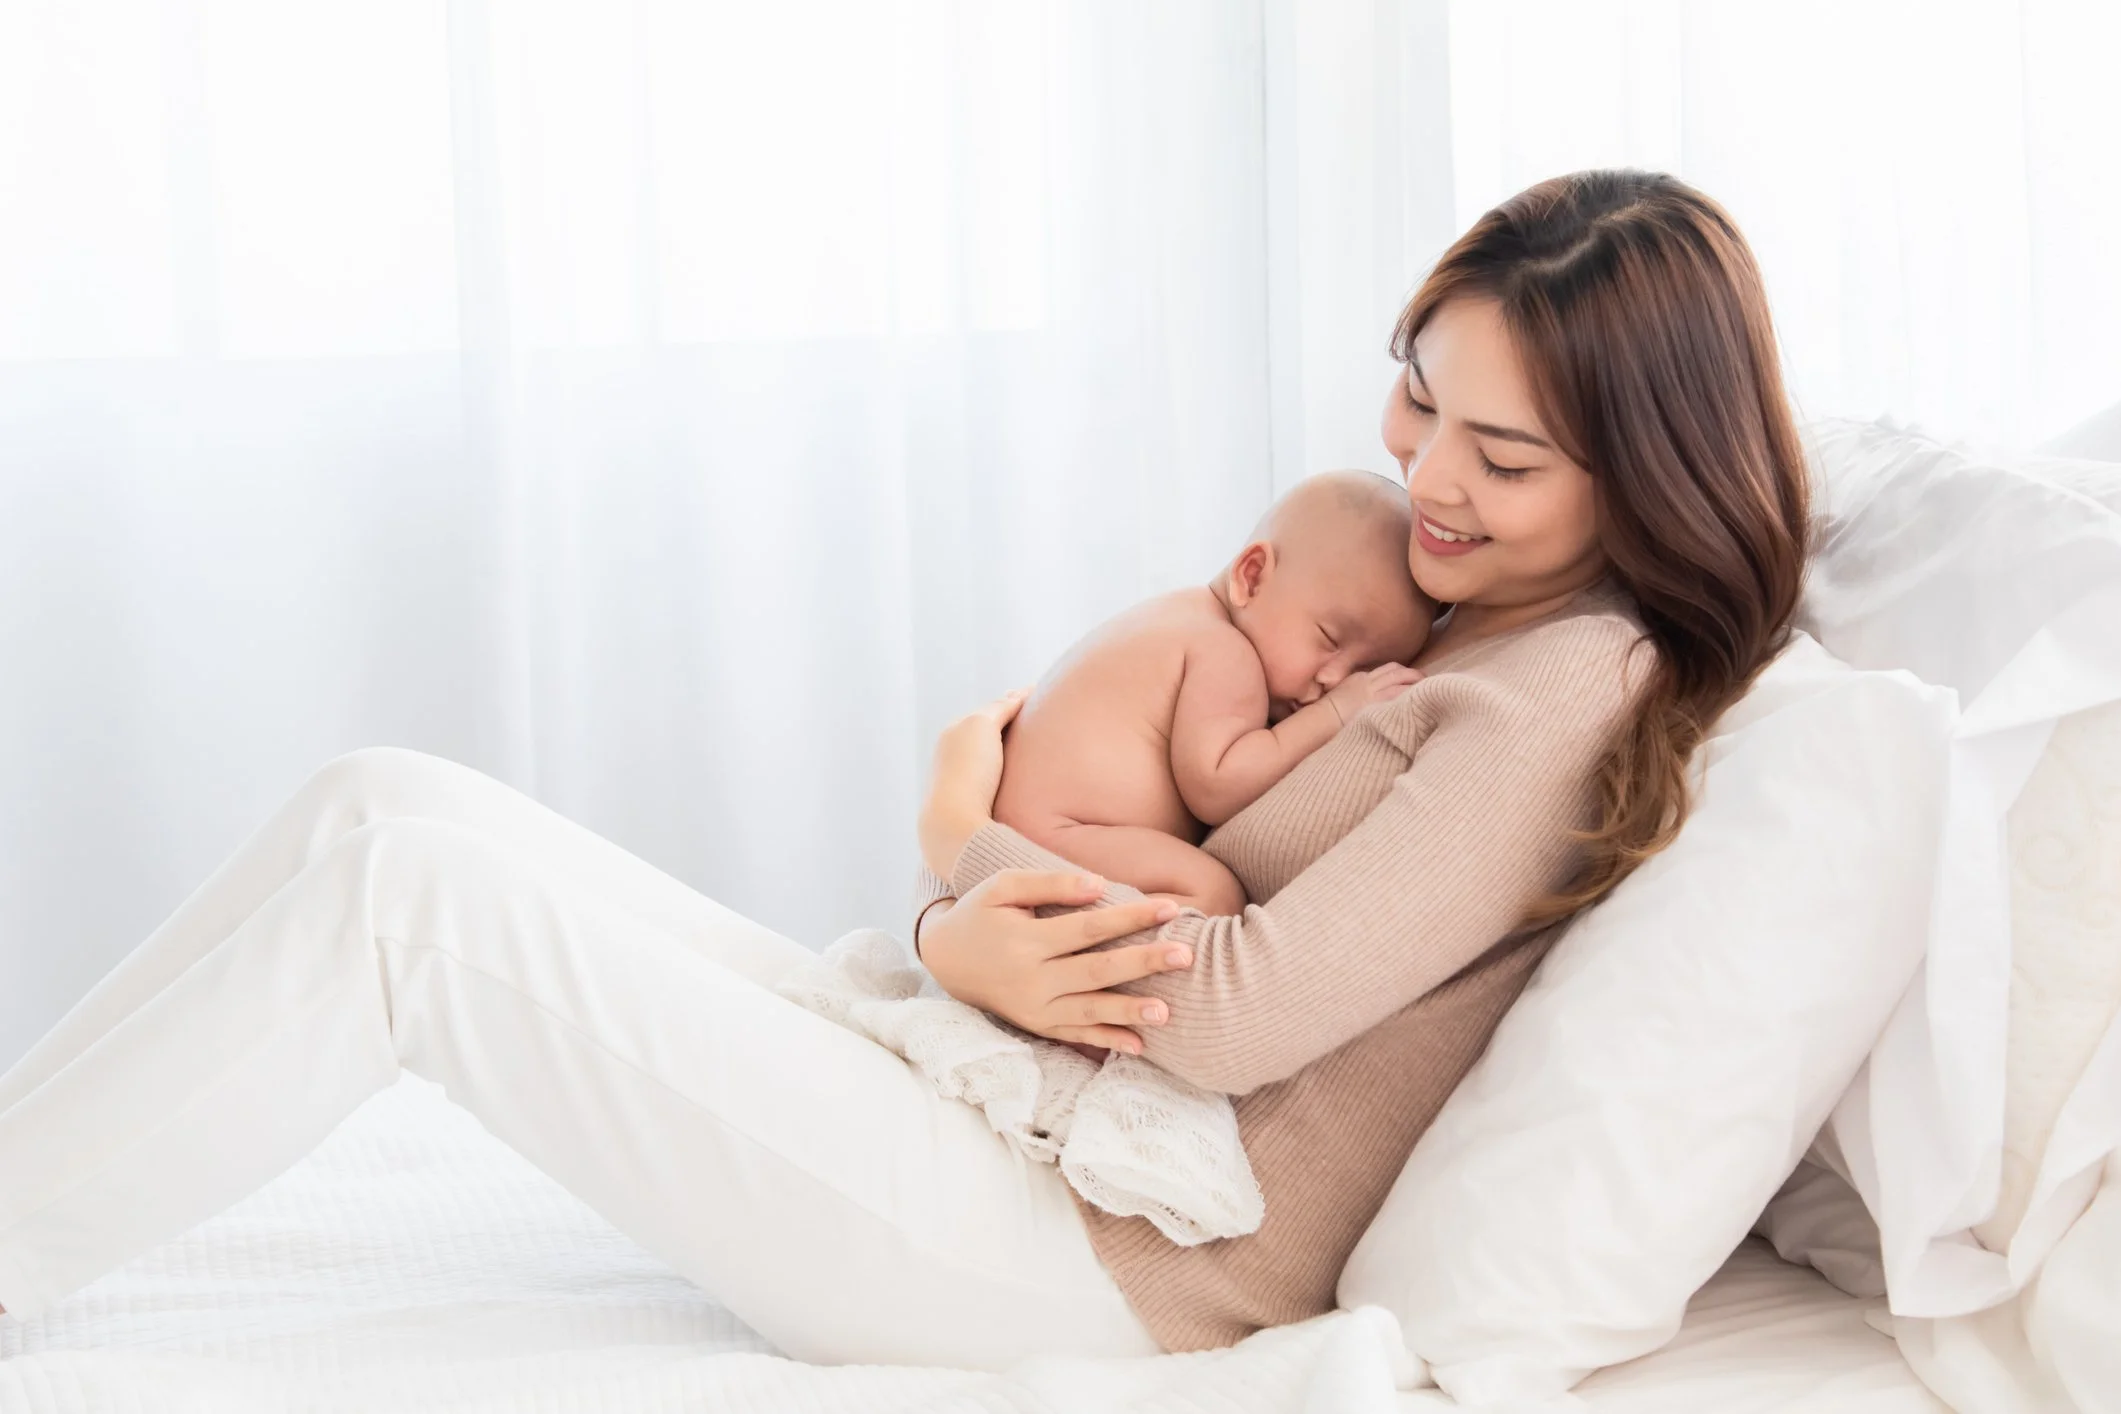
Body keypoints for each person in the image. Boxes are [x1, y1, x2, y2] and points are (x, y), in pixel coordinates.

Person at [0, 170, 1809, 1368]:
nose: (1429, 478)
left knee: (405, 900)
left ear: (1647, 467)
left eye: (1506, 454)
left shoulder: (1570, 683)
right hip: (1021, 1113)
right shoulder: (1468, 615)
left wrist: (967, 861)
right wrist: (973, 920)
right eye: (1422, 395)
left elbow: (1238, 1015)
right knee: (383, 805)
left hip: (1112, 1257)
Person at [994, 468, 1433, 919]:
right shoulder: (1225, 652)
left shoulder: (1181, 614)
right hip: (1054, 837)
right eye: (1329, 638)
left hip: (1025, 831)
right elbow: (1218, 784)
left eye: (1365, 669)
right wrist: (1336, 714)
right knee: (1213, 893)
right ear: (1253, 576)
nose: (1336, 680)